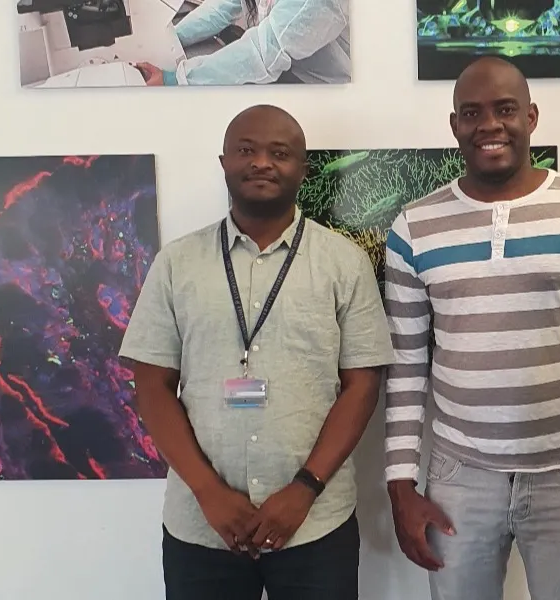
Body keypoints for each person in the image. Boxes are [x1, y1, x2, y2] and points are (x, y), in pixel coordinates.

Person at [382, 56, 560, 600]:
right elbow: (406, 365)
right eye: (472, 113)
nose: (489, 125)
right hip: (458, 476)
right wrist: (400, 484)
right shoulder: (413, 227)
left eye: (505, 110)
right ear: (454, 124)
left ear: (532, 117)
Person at [117, 104, 393, 599]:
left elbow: (362, 384)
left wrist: (305, 488)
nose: (262, 162)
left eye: (280, 153)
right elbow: (152, 385)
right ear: (223, 161)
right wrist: (208, 492)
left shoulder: (344, 263)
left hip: (315, 524)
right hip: (202, 527)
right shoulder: (177, 264)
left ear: (303, 169)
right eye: (246, 150)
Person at [135, 0, 349, 86]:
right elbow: (223, 6)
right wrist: (170, 40)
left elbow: (263, 53)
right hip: (284, 69)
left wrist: (176, 80)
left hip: (322, 88)